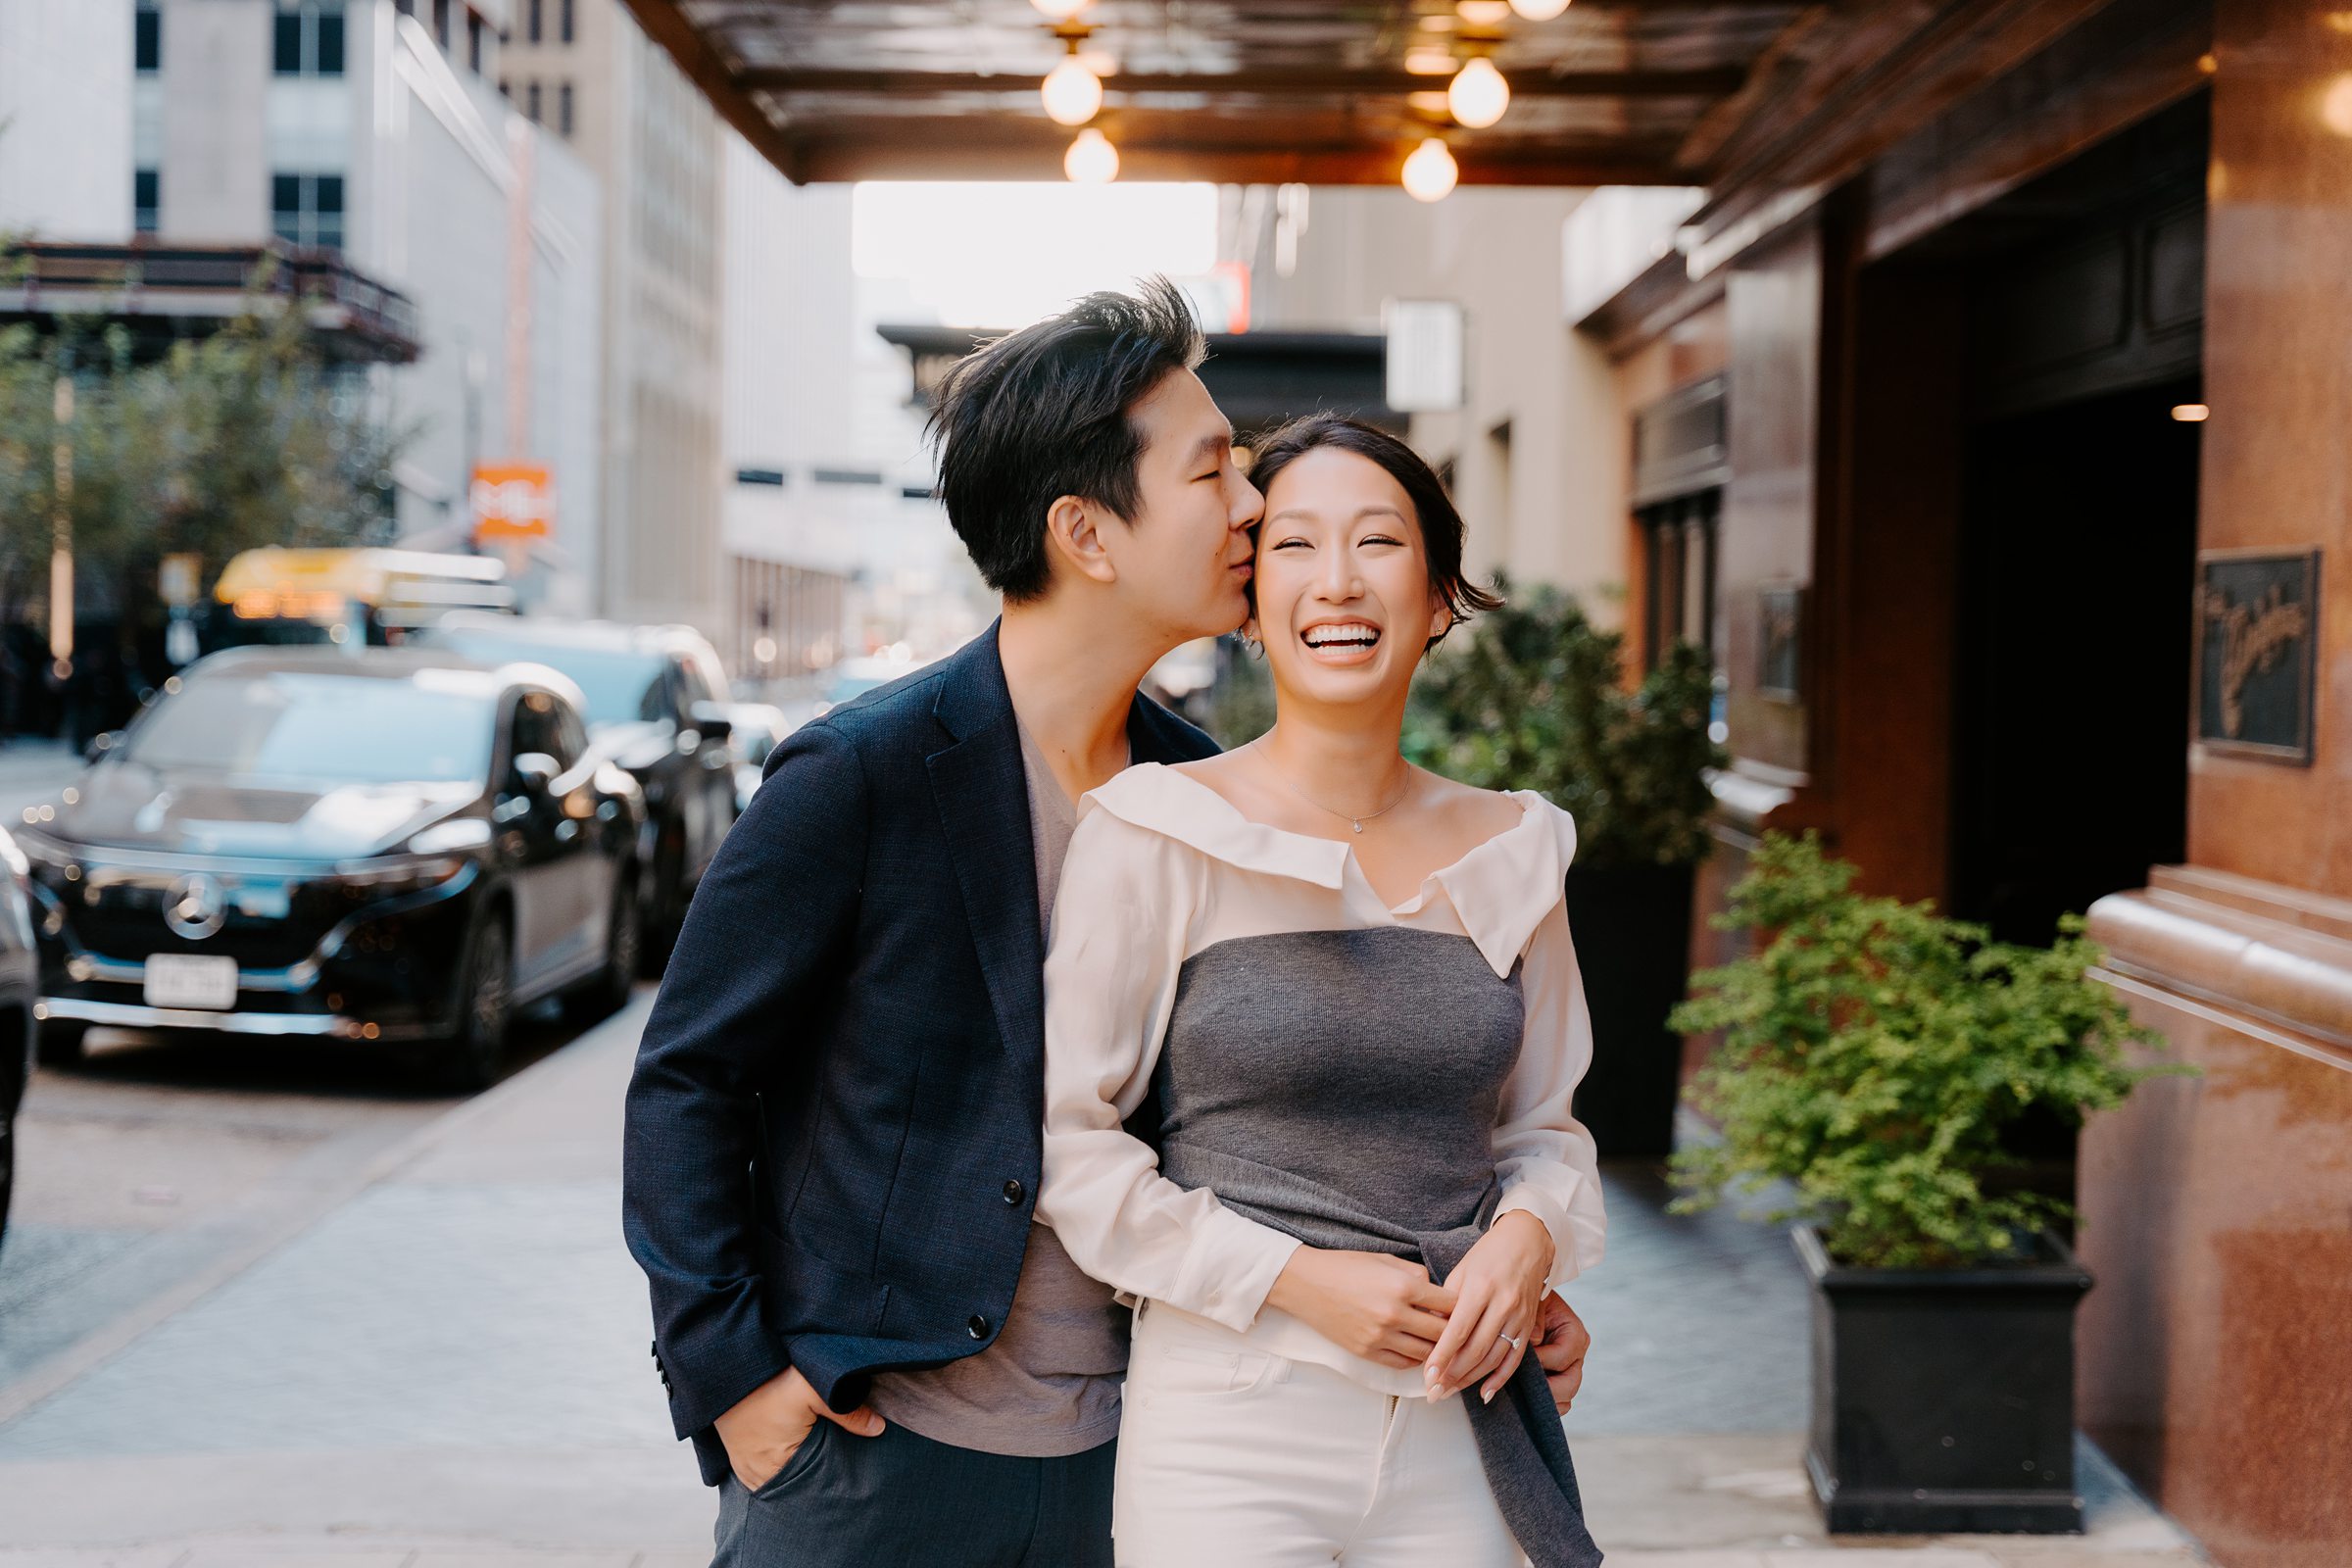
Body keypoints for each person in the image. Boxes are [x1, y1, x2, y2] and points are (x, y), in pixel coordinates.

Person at [622, 276, 1594, 1567]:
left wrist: (1511, 1268)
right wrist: (736, 1380)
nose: (1252, 507)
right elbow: (688, 1079)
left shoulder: (1195, 794)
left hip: (1128, 1450)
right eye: (1212, 472)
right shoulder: (862, 773)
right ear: (1086, 533)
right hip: (877, 1447)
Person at [1036, 413, 1608, 1567]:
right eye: (1294, 544)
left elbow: (1543, 1129)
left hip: (1463, 1409)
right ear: (1250, 602)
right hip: (1228, 1419)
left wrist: (1527, 1243)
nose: (1337, 581)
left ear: (1439, 596)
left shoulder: (1517, 849)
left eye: (1378, 542)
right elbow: (1067, 1145)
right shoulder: (1158, 829)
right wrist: (1297, 1279)